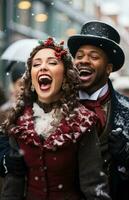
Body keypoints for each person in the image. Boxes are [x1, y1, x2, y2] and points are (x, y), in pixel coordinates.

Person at [0, 37, 111, 200]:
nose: (43, 67)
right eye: (36, 64)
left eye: (52, 62)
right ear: (31, 78)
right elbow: (13, 188)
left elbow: (94, 187)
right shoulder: (18, 120)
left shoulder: (84, 122)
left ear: (66, 75)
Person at [67, 20, 129, 200]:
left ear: (108, 68)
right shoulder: (52, 104)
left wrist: (127, 155)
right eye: (79, 56)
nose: (83, 61)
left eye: (94, 56)